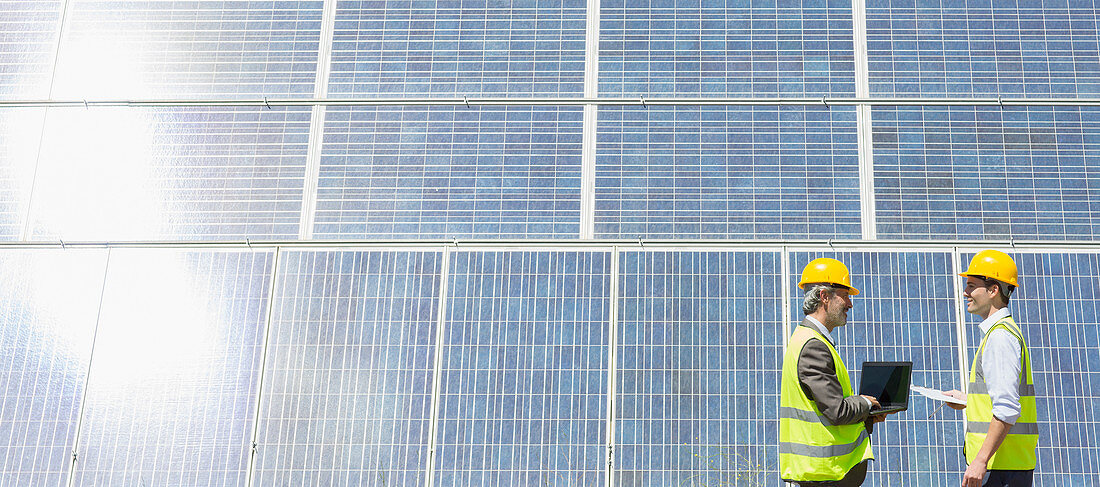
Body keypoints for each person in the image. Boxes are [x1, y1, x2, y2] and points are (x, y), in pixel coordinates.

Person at [780, 258, 890, 486]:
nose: (850, 304)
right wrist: (866, 404)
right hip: (826, 473)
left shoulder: (809, 339)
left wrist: (866, 416)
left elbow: (825, 411)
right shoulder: (813, 346)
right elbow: (837, 410)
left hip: (825, 471)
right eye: (845, 295)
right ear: (824, 297)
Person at [945, 250, 1038, 487]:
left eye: (972, 286)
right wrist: (969, 400)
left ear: (993, 290)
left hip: (999, 471)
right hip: (1006, 467)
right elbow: (1001, 398)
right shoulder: (1003, 333)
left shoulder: (999, 338)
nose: (966, 293)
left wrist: (980, 461)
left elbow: (1007, 408)